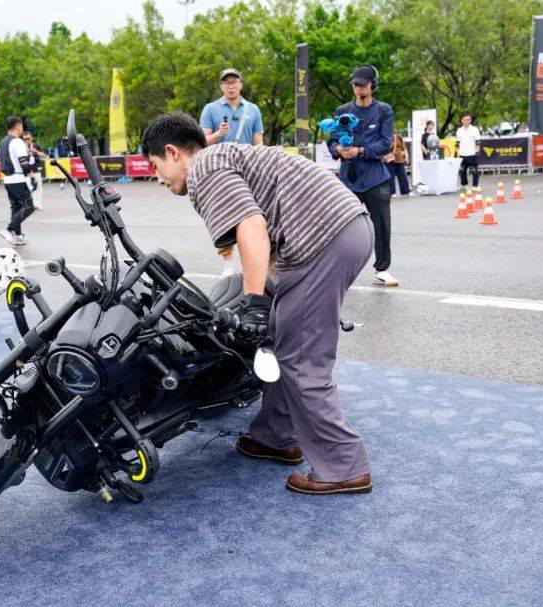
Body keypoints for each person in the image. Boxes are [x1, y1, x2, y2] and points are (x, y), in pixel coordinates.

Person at [142, 112, 374, 495]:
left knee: (302, 359)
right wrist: (266, 296)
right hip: (341, 229)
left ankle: (343, 466)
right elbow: (261, 234)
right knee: (283, 337)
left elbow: (252, 226)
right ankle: (274, 436)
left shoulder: (204, 169)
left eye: (155, 166)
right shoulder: (225, 157)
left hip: (323, 239)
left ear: (173, 152)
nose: (158, 177)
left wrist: (252, 302)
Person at [328, 64, 399, 287]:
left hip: (375, 177)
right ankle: (339, 270)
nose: (358, 88)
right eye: (355, 84)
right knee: (341, 227)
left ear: (372, 85)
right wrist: (338, 149)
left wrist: (360, 151)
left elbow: (385, 143)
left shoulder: (384, 110)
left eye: (362, 84)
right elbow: (332, 141)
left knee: (382, 225)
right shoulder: (342, 110)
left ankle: (382, 269)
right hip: (348, 179)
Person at [200, 68, 265, 277]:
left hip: (248, 167)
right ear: (221, 86)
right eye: (226, 82)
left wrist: (262, 162)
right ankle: (228, 262)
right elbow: (203, 141)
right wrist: (219, 134)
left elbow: (258, 142)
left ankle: (253, 260)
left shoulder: (253, 109)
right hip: (220, 168)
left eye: (234, 82)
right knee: (223, 216)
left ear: (241, 85)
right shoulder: (210, 109)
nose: (231, 86)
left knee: (253, 214)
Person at [0, 115, 34, 246]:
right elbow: (24, 163)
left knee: (16, 207)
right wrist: (31, 175)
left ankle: (18, 236)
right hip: (18, 179)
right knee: (28, 206)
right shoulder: (17, 142)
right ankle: (9, 229)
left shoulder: (3, 142)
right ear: (18, 126)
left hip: (8, 180)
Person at [21, 129, 49, 211]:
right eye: (25, 139)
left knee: (39, 188)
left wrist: (35, 151)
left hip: (35, 170)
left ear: (31, 138)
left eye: (28, 138)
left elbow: (45, 156)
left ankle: (37, 204)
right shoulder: (21, 147)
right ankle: (28, 204)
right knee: (27, 189)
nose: (26, 140)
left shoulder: (36, 146)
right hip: (25, 172)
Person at [455, 112, 482, 188]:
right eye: (465, 119)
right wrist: (455, 152)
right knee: (462, 170)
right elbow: (457, 142)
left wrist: (477, 151)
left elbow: (477, 142)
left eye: (468, 119)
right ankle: (464, 185)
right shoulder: (459, 130)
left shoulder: (474, 129)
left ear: (470, 120)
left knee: (474, 170)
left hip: (472, 153)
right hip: (462, 153)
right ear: (462, 120)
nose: (466, 121)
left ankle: (475, 185)